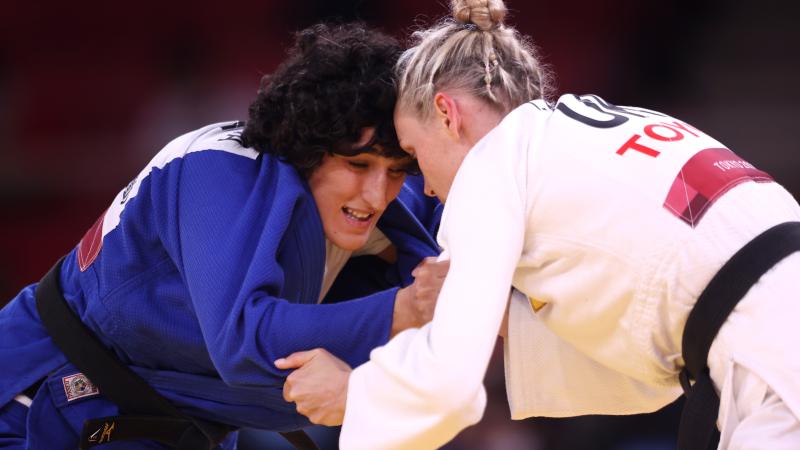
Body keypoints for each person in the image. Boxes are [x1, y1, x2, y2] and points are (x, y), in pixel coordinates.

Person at [276, 1, 800, 449]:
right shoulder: (605, 127)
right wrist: (505, 317)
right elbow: (653, 361)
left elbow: (450, 383)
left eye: (414, 154)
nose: (428, 189)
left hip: (771, 351)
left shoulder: (493, 162)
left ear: (446, 113)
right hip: (768, 339)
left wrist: (358, 393)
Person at [0, 23, 447, 449]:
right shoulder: (216, 170)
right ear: (309, 148)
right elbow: (243, 339)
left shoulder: (377, 211)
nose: (376, 194)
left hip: (157, 425)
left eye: (396, 171)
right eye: (358, 165)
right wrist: (401, 311)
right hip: (39, 396)